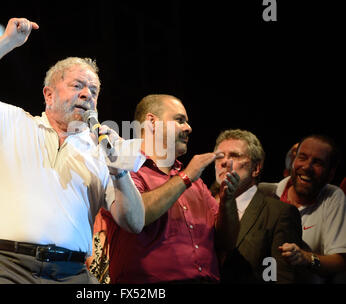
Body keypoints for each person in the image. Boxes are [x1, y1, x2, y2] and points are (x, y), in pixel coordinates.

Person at [0, 17, 145, 284]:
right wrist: (7, 43)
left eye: (94, 90)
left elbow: (134, 222)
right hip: (7, 267)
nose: (87, 94)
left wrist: (119, 170)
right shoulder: (13, 122)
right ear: (48, 95)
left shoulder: (102, 151)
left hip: (72, 273)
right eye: (77, 85)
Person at [93, 94, 240, 284]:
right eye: (180, 120)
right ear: (152, 122)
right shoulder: (123, 168)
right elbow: (137, 216)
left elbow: (226, 243)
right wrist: (185, 177)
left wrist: (228, 201)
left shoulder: (196, 182)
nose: (188, 128)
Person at [214, 129, 304, 283]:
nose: (224, 162)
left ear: (256, 168)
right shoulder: (204, 206)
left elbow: (282, 278)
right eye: (219, 156)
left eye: (234, 156)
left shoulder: (280, 214)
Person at [259, 134, 346, 283]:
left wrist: (307, 258)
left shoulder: (333, 197)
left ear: (330, 174)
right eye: (302, 157)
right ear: (293, 162)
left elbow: (340, 262)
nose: (307, 167)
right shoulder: (265, 192)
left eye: (317, 162)